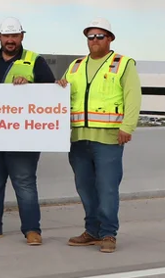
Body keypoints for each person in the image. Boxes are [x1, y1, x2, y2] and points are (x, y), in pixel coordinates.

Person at [0, 17, 56, 245]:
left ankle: (32, 230)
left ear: (22, 36)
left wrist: (30, 87)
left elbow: (51, 94)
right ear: (0, 38)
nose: (10, 40)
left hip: (22, 135)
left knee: (24, 181)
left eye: (14, 36)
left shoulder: (35, 61)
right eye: (6, 36)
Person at [56, 18, 140, 254]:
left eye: (99, 36)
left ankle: (108, 234)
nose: (94, 41)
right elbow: (65, 94)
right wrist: (59, 85)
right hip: (79, 137)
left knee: (107, 188)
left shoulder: (122, 64)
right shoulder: (75, 66)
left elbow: (133, 97)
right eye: (90, 37)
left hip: (109, 138)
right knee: (84, 187)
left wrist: (128, 127)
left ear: (110, 38)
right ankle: (92, 231)